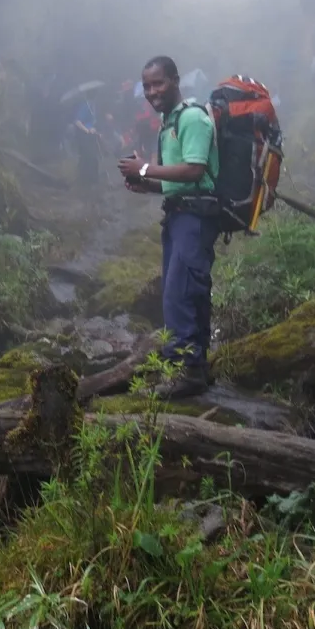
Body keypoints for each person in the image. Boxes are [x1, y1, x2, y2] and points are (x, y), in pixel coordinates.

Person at [118, 55, 221, 399]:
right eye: (147, 86)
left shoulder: (192, 119)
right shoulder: (169, 122)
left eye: (158, 83)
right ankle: (197, 367)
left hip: (195, 219)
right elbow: (174, 179)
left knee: (182, 291)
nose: (152, 91)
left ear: (176, 80)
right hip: (179, 216)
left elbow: (194, 170)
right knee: (181, 290)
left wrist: (145, 169)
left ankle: (187, 372)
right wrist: (144, 183)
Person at [72, 94, 101, 188]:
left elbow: (92, 121)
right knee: (88, 157)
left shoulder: (93, 106)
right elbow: (77, 121)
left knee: (93, 157)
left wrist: (94, 129)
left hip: (91, 135)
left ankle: (93, 179)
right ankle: (87, 179)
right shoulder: (85, 106)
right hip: (83, 136)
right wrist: (87, 130)